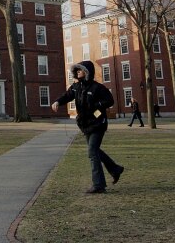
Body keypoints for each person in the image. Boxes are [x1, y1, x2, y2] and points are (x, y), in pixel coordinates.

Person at [52, 60, 124, 194]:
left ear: (87, 72)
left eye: (80, 70)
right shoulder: (76, 87)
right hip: (85, 125)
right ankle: (115, 169)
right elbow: (67, 96)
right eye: (77, 70)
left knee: (92, 152)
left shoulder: (97, 87)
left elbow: (110, 101)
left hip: (98, 124)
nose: (78, 72)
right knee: (95, 150)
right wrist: (57, 102)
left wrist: (97, 106)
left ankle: (99, 185)